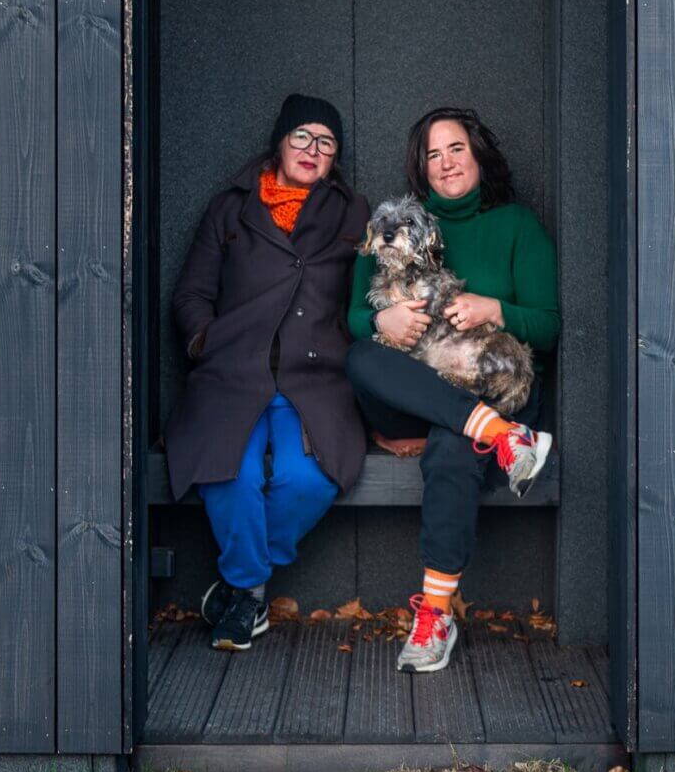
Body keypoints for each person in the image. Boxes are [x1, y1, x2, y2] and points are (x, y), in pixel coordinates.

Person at [345, 106, 560, 673]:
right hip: (418, 399)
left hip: (494, 383)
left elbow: (549, 326)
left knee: (452, 447)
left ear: (478, 155)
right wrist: (382, 321)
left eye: (456, 149)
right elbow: (353, 318)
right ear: (422, 168)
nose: (445, 163)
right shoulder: (392, 230)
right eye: (433, 155)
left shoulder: (517, 226)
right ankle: (502, 437)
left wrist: (496, 309)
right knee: (362, 357)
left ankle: (435, 614)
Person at [163, 93, 371, 650]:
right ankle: (250, 593)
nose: (312, 149)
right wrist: (206, 341)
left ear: (335, 158)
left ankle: (242, 589)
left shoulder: (354, 212)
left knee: (309, 479)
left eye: (326, 142)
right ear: (279, 142)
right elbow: (191, 294)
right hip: (232, 371)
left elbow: (376, 290)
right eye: (301, 136)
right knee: (228, 473)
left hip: (316, 377)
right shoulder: (230, 208)